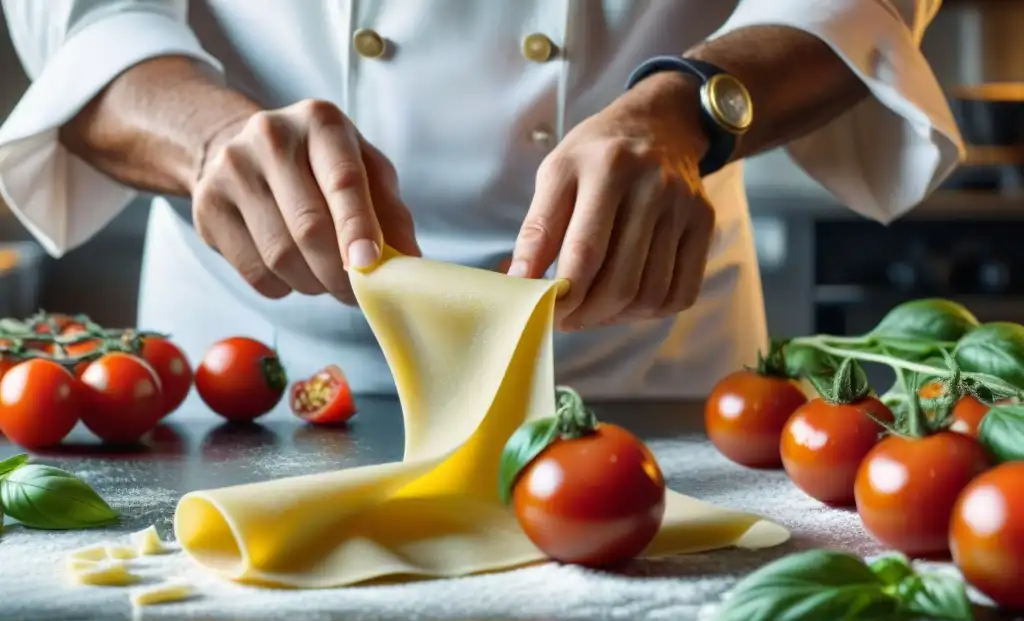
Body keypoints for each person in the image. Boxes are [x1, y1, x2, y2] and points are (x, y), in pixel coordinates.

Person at [0, 1, 962, 407]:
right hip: (255, 363)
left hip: (641, 349)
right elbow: (77, 18)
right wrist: (212, 141)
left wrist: (690, 105)